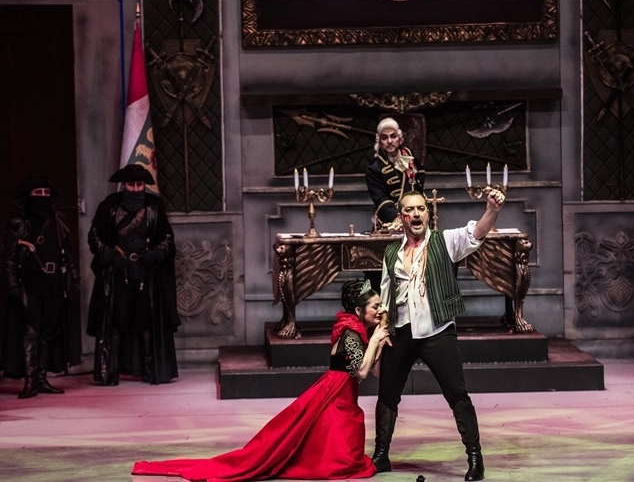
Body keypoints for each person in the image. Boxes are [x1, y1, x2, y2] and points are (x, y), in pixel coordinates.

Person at [132, 279, 390, 481]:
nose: (381, 310)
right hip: (334, 397)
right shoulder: (351, 333)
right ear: (359, 310)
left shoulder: (355, 330)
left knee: (328, 454)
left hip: (338, 394)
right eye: (376, 306)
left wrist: (379, 342)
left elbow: (373, 371)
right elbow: (361, 372)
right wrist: (376, 340)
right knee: (340, 463)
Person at [372, 189, 504, 481]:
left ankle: (475, 457)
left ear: (427, 213)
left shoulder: (445, 241)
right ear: (401, 217)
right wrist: (382, 335)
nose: (416, 214)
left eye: (420, 208)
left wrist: (492, 210)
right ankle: (381, 455)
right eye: (410, 210)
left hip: (437, 331)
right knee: (387, 395)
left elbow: (477, 233)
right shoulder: (392, 252)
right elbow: (385, 296)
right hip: (401, 332)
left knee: (457, 393)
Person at [87, 164, 180, 385]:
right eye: (132, 184)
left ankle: (149, 369)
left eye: (139, 185)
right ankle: (111, 371)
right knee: (116, 320)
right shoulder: (108, 206)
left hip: (146, 273)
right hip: (117, 273)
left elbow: (167, 238)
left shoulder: (154, 206)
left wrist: (156, 254)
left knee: (146, 320)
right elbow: (94, 236)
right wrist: (109, 255)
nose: (136, 189)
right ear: (124, 185)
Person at [2, 176, 80, 398]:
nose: (43, 197)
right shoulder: (19, 221)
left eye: (46, 193)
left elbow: (68, 250)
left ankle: (42, 379)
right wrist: (12, 285)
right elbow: (9, 256)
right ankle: (30, 380)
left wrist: (74, 277)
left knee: (47, 331)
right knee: (31, 331)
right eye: (38, 193)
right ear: (29, 195)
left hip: (54, 281)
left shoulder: (58, 218)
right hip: (30, 281)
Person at [365, 117, 425, 232]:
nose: (389, 141)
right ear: (379, 142)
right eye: (384, 138)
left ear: (400, 139)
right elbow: (381, 201)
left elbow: (420, 179)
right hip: (390, 224)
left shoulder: (409, 157)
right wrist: (401, 220)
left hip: (416, 219)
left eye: (393, 136)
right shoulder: (373, 169)